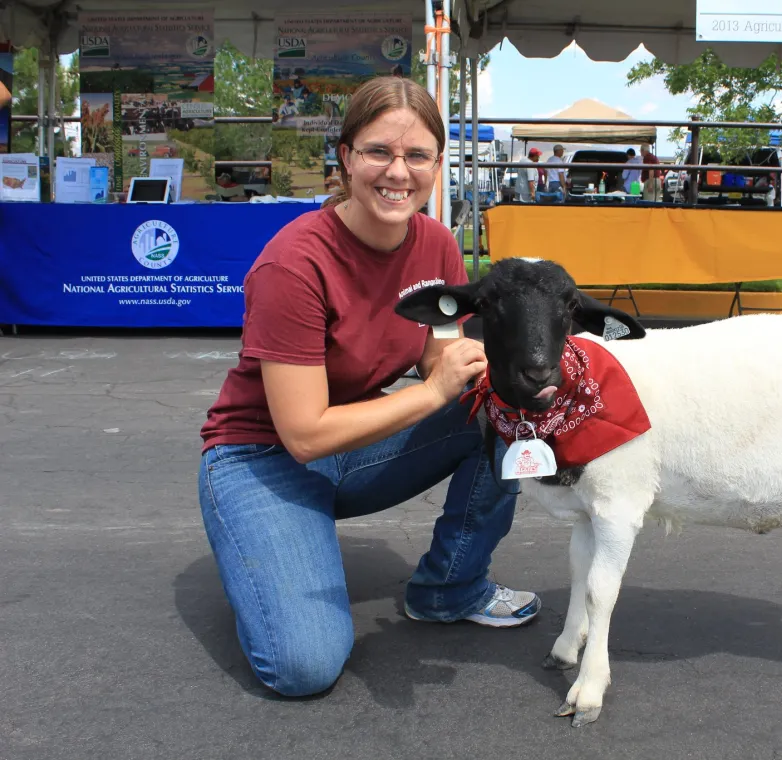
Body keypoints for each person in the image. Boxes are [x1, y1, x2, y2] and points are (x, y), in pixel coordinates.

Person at [197, 76, 539, 699]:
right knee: (304, 668)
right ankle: (266, 546)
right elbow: (302, 435)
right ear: (346, 158)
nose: (398, 172)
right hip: (260, 457)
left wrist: (518, 374)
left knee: (501, 410)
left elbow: (441, 363)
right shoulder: (293, 263)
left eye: (417, 156)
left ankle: (450, 589)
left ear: (438, 164)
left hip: (351, 446)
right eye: (379, 151)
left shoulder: (435, 244)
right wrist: (437, 393)